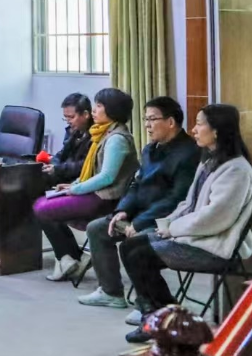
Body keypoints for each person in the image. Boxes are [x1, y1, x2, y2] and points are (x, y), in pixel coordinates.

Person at [122, 104, 252, 343]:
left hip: (216, 248)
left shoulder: (236, 171)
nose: (193, 130)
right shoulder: (209, 162)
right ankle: (162, 317)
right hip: (197, 237)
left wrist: (173, 230)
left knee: (139, 256)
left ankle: (167, 319)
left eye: (199, 124)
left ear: (216, 130)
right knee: (129, 246)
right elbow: (188, 204)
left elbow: (214, 218)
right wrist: (166, 224)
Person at [76, 96, 200, 311]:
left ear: (171, 122)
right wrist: (123, 210)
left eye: (152, 119)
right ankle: (111, 292)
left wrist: (141, 222)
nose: (147, 125)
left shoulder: (189, 153)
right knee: (97, 228)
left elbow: (177, 198)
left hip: (165, 220)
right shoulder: (150, 149)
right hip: (139, 214)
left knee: (134, 245)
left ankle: (148, 303)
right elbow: (136, 184)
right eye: (145, 119)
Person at [32, 88, 139, 283]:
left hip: (106, 198)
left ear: (112, 110)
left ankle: (69, 258)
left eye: (99, 106)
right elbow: (90, 170)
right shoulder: (103, 132)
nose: (94, 110)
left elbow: (106, 177)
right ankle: (70, 258)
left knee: (42, 208)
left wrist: (75, 189)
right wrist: (73, 184)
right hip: (94, 192)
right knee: (42, 203)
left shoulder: (116, 139)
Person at [44, 93, 94, 184]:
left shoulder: (95, 135)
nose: (68, 122)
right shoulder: (73, 131)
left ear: (86, 114)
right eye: (65, 118)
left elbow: (84, 164)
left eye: (71, 117)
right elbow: (61, 154)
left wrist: (58, 169)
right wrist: (53, 165)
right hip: (66, 175)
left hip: (80, 181)